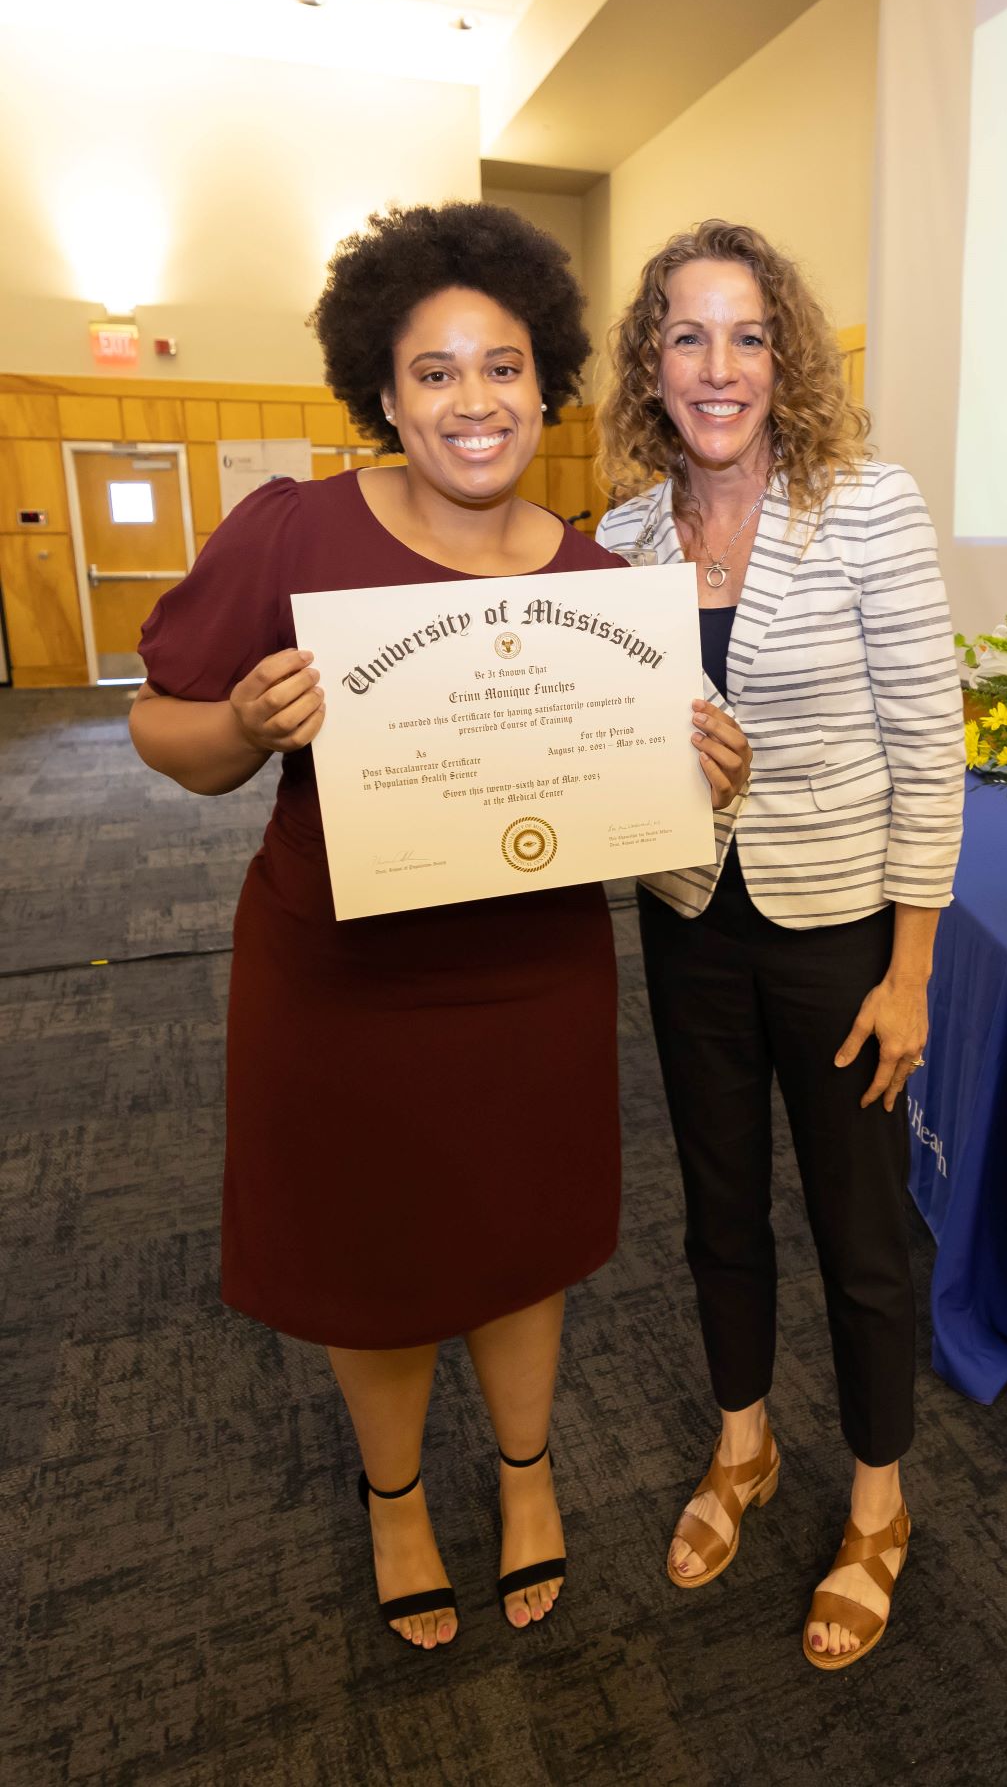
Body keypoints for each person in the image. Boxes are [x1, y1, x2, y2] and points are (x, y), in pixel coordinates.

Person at [130, 202, 750, 1654]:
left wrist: (696, 775)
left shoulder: (606, 587)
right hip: (340, 978)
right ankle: (397, 1497)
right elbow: (168, 732)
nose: (475, 401)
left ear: (548, 386)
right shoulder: (295, 530)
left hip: (528, 978)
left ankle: (527, 1478)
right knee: (374, 1251)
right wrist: (238, 719)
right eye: (435, 372)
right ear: (384, 390)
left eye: (506, 367)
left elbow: (641, 814)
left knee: (519, 1243)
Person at [595, 219, 964, 1669]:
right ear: (651, 364)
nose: (718, 364)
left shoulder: (866, 506)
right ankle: (741, 1444)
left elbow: (932, 756)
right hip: (688, 924)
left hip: (838, 938)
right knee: (719, 1207)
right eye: (687, 335)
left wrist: (912, 971)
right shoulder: (622, 538)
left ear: (784, 355)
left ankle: (879, 1502)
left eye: (746, 334)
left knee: (862, 1235)